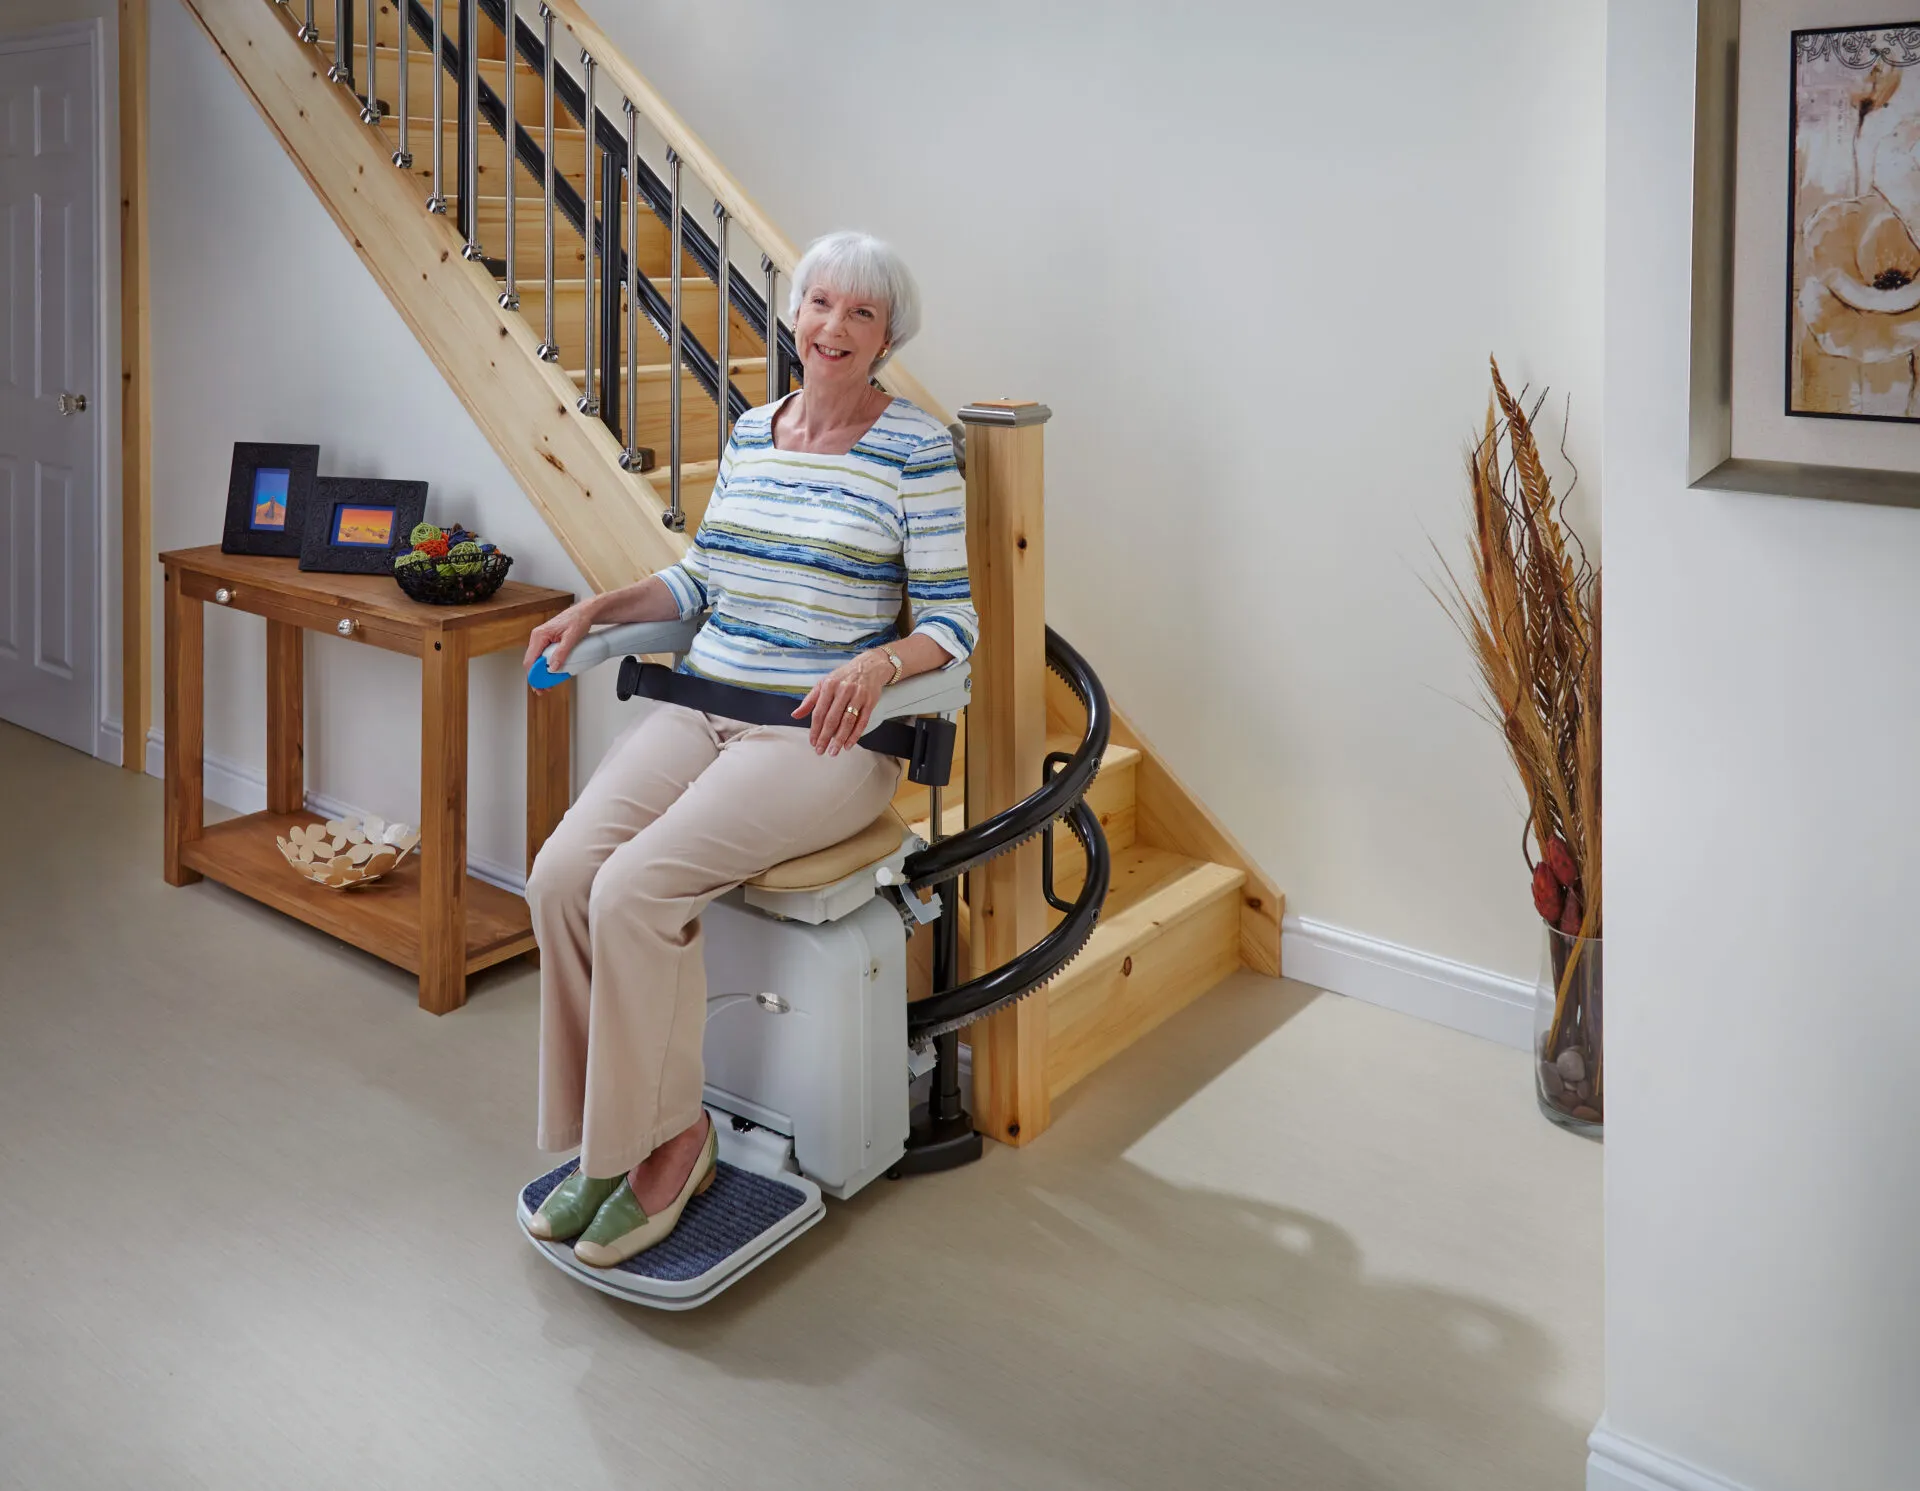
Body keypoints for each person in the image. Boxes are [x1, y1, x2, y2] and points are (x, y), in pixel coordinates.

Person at [519, 231, 976, 1269]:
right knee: (560, 877)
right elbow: (699, 582)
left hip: (825, 734)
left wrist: (878, 666)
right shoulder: (753, 430)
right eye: (821, 304)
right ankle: (616, 1138)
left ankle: (670, 1144)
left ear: (888, 337)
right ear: (794, 316)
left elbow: (953, 621)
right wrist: (601, 607)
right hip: (706, 704)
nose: (835, 328)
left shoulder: (916, 450)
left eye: (862, 314)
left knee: (636, 888)